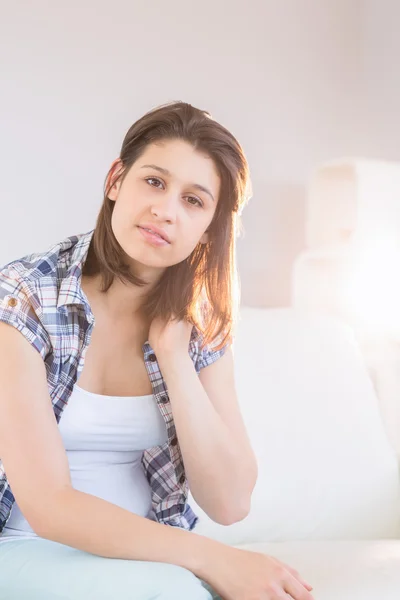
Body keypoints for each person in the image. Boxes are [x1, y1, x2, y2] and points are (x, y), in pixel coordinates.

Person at [0, 101, 314, 600]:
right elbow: (48, 504)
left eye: (194, 201)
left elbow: (230, 502)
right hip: (20, 545)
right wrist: (215, 559)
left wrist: (172, 354)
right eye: (154, 182)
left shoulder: (200, 319)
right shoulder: (24, 297)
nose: (165, 210)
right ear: (115, 181)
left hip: (147, 558)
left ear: (210, 227)